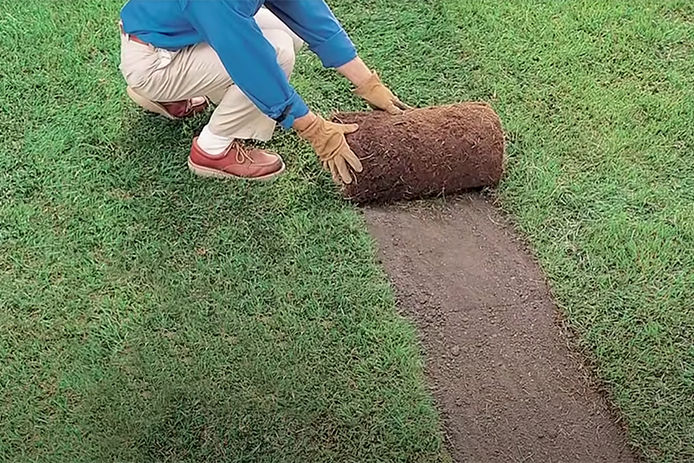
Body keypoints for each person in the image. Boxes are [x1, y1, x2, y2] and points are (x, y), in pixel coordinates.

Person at [119, 0, 410, 184]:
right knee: (276, 55)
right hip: (155, 64)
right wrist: (315, 131)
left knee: (287, 33)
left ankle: (172, 95)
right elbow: (255, 69)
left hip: (173, 36)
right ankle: (212, 149)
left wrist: (367, 83)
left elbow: (308, 13)